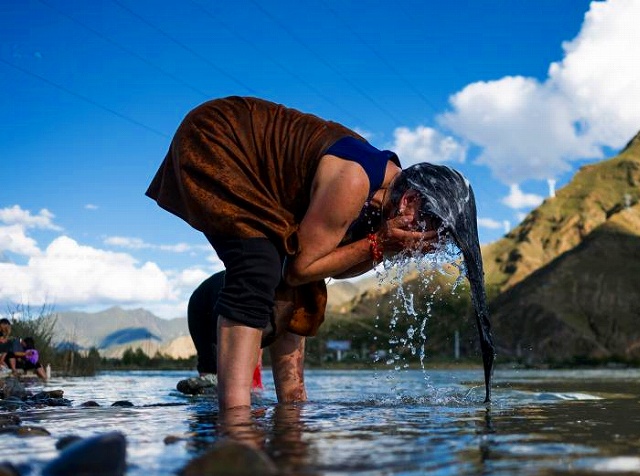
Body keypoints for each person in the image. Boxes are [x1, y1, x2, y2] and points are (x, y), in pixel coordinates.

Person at [147, 96, 465, 412]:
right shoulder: (354, 180)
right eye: (424, 228)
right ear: (409, 200)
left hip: (255, 171)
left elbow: (326, 270)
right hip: (217, 136)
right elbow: (299, 269)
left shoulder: (382, 195)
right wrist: (379, 243)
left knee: (308, 292)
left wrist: (381, 248)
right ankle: (236, 418)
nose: (421, 242)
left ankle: (292, 406)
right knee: (257, 267)